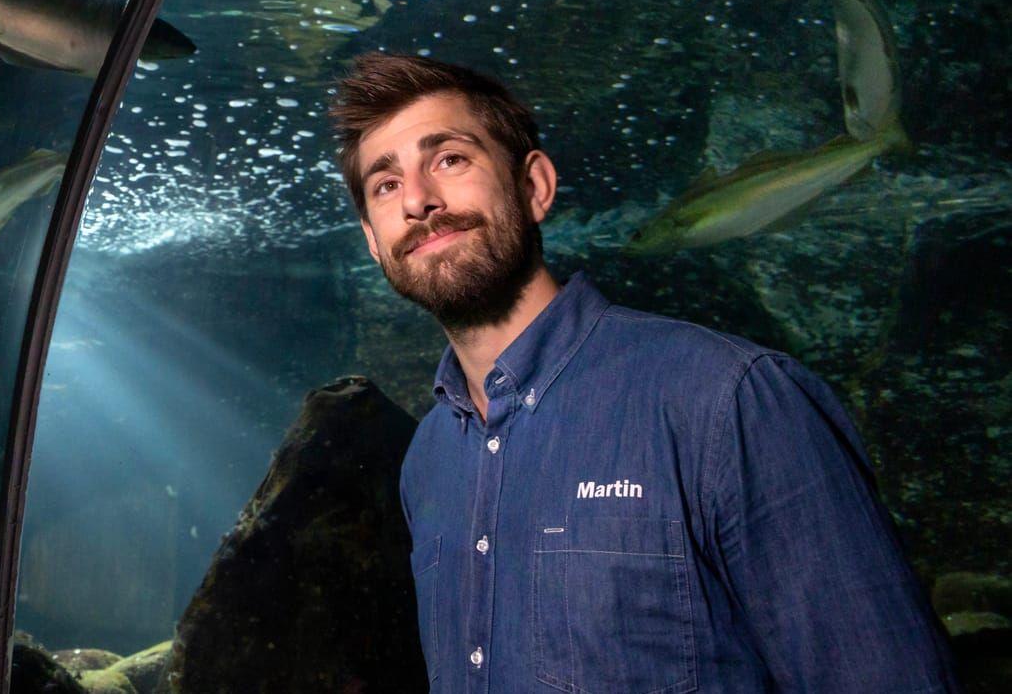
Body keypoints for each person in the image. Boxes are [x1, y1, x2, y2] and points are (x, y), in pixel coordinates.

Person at [328, 52, 960, 693]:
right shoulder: (428, 459)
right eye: (385, 184)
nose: (418, 200)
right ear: (374, 241)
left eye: (449, 160)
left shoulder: (731, 399)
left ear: (534, 187)